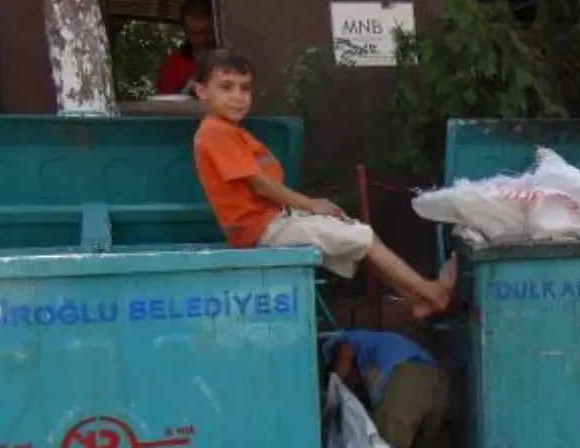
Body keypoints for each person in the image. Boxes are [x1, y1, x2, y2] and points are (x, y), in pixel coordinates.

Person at [191, 49, 455, 319]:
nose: (238, 97)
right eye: (226, 87)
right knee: (362, 237)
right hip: (264, 229)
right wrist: (313, 205)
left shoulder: (230, 132)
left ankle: (417, 299)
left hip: (273, 222)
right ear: (202, 92)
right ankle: (431, 293)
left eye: (245, 89)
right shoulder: (215, 133)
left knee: (357, 236)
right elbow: (260, 184)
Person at [322, 329, 448, 448]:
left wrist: (333, 387)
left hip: (409, 376)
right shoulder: (376, 361)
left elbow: (345, 353)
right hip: (436, 380)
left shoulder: (347, 341)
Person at [156, 0, 217, 95]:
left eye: (208, 33)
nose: (202, 39)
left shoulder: (230, 57)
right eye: (195, 34)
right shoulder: (172, 63)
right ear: (184, 31)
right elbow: (165, 103)